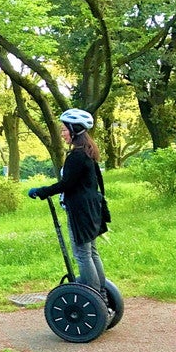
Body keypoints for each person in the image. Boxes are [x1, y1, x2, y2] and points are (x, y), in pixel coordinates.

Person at [28, 108, 110, 296]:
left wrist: (40, 192)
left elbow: (67, 184)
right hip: (91, 209)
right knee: (92, 253)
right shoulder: (88, 152)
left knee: (83, 254)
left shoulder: (77, 155)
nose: (62, 133)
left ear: (74, 129)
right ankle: (101, 293)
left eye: (64, 129)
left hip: (81, 211)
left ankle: (93, 295)